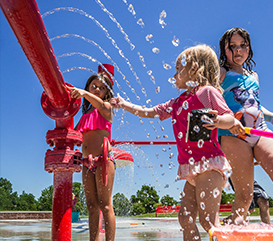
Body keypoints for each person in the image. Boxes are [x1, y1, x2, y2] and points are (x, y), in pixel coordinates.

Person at [111, 44, 243, 240]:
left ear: (194, 69)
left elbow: (230, 118)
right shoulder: (177, 103)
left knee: (208, 221)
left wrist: (218, 121)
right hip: (190, 168)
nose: (174, 75)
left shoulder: (208, 93)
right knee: (185, 218)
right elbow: (149, 112)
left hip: (209, 165)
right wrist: (124, 104)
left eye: (178, 69)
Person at [218, 27, 273, 224]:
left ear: (249, 48)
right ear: (224, 50)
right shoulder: (221, 73)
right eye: (232, 46)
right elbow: (210, 98)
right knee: (245, 195)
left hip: (260, 130)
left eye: (243, 45)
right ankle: (234, 230)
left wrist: (271, 117)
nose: (238, 50)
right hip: (233, 135)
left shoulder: (254, 76)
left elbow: (255, 104)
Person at [67, 64, 116, 241]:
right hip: (87, 163)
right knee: (91, 205)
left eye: (102, 88)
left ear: (106, 93)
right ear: (88, 86)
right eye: (94, 85)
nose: (97, 89)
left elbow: (101, 103)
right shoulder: (86, 113)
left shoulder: (106, 108)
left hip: (104, 160)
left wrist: (83, 93)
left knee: (106, 205)